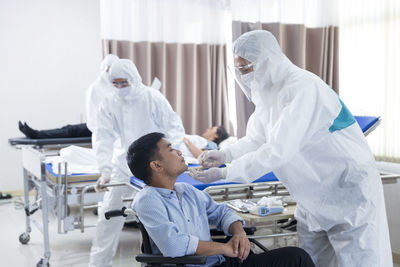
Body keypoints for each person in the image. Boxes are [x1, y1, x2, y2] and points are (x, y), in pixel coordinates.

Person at [190, 30, 392, 267]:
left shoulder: (303, 87)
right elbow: (257, 139)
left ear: (267, 59)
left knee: (362, 261)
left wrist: (226, 173)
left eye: (248, 67)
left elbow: (277, 150)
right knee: (310, 262)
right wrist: (225, 154)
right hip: (311, 196)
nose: (244, 75)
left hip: (347, 190)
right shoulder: (267, 94)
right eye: (240, 69)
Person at [128, 132, 315, 267]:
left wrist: (239, 232)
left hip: (223, 261)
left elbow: (222, 212)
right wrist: (223, 248)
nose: (179, 152)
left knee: (296, 257)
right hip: (197, 263)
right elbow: (173, 245)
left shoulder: (186, 190)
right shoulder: (148, 200)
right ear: (156, 165)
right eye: (170, 149)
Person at [89, 59, 185, 267]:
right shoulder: (109, 102)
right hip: (123, 166)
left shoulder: (152, 98)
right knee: (108, 218)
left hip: (154, 166)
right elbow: (102, 136)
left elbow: (174, 128)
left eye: (124, 83)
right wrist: (105, 170)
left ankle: (160, 262)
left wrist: (167, 159)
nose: (120, 88)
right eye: (116, 84)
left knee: (158, 217)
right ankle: (98, 264)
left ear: (134, 78)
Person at [17, 54, 119, 140]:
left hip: (109, 129)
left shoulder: (114, 87)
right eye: (109, 70)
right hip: (100, 128)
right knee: (70, 130)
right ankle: (37, 134)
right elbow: (95, 119)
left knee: (70, 130)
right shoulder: (96, 88)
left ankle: (36, 134)